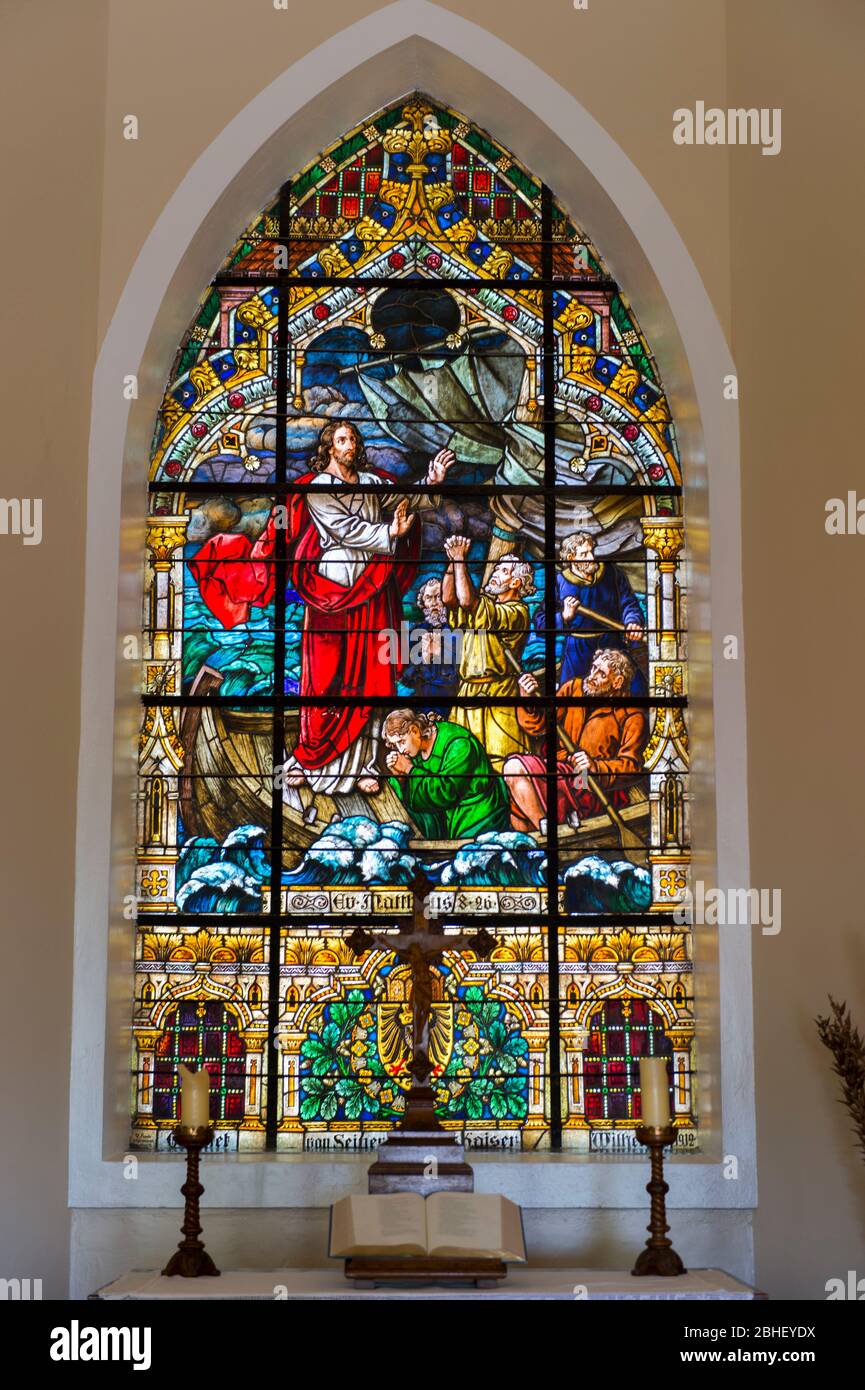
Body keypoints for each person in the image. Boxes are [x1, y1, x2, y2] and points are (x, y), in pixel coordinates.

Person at [189, 421, 456, 795]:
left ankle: (366, 762)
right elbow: (345, 529)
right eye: (344, 439)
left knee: (370, 677)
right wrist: (389, 534)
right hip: (332, 590)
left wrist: (430, 483)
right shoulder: (318, 489)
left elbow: (404, 502)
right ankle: (311, 757)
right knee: (324, 677)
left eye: (354, 438)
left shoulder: (371, 482)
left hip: (373, 590)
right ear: (330, 447)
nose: (352, 444)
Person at [502, 648, 647, 833]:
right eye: (594, 668)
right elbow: (538, 726)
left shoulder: (632, 716)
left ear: (617, 682)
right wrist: (526, 697)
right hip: (557, 768)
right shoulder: (573, 688)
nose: (592, 676)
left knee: (515, 768)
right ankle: (546, 826)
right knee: (516, 789)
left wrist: (596, 767)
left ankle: (548, 828)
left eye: (601, 674)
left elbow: (631, 766)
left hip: (590, 784)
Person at [441, 534, 536, 770]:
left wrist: (461, 559)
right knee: (461, 766)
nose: (494, 574)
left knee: (501, 764)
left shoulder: (517, 612)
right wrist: (452, 563)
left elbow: (467, 602)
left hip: (498, 697)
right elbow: (449, 600)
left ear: (516, 583)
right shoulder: (484, 605)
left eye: (503, 571)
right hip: (467, 695)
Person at [533, 530, 647, 692]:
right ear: (571, 558)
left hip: (613, 646)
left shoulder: (611, 573)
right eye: (584, 554)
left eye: (591, 551)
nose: (591, 558)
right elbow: (540, 622)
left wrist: (632, 622)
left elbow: (629, 603)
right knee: (571, 697)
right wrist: (564, 616)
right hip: (576, 652)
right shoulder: (559, 582)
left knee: (636, 691)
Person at [383, 708, 509, 840]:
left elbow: (447, 791)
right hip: (446, 815)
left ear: (415, 730)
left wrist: (409, 769)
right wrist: (401, 779)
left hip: (480, 815)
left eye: (402, 742)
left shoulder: (459, 743)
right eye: (395, 745)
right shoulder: (416, 748)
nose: (400, 750)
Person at [399, 576, 462, 702]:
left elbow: (459, 675)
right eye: (428, 598)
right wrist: (425, 659)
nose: (434, 603)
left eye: (438, 597)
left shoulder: (457, 632)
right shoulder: (414, 635)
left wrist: (440, 655)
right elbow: (406, 676)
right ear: (422, 603)